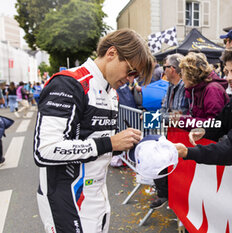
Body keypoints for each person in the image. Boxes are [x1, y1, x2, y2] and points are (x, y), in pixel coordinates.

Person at [33, 29, 153, 233]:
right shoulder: (68, 83)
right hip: (68, 198)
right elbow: (44, 150)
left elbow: (95, 143)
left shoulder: (112, 93)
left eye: (136, 76)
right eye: (130, 70)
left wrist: (127, 145)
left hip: (98, 196)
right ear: (112, 53)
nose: (131, 79)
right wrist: (110, 143)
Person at [150, 53, 188, 209]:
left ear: (172, 69)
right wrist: (159, 116)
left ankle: (177, 199)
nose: (162, 69)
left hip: (184, 136)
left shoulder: (185, 86)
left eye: (164, 66)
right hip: (171, 133)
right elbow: (166, 111)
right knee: (159, 161)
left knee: (180, 168)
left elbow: (181, 115)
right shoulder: (170, 86)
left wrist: (155, 117)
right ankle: (165, 194)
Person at [178, 52, 229, 128]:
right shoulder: (197, 89)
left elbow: (213, 124)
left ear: (190, 74)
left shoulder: (212, 89)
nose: (181, 78)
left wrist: (182, 120)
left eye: (182, 74)